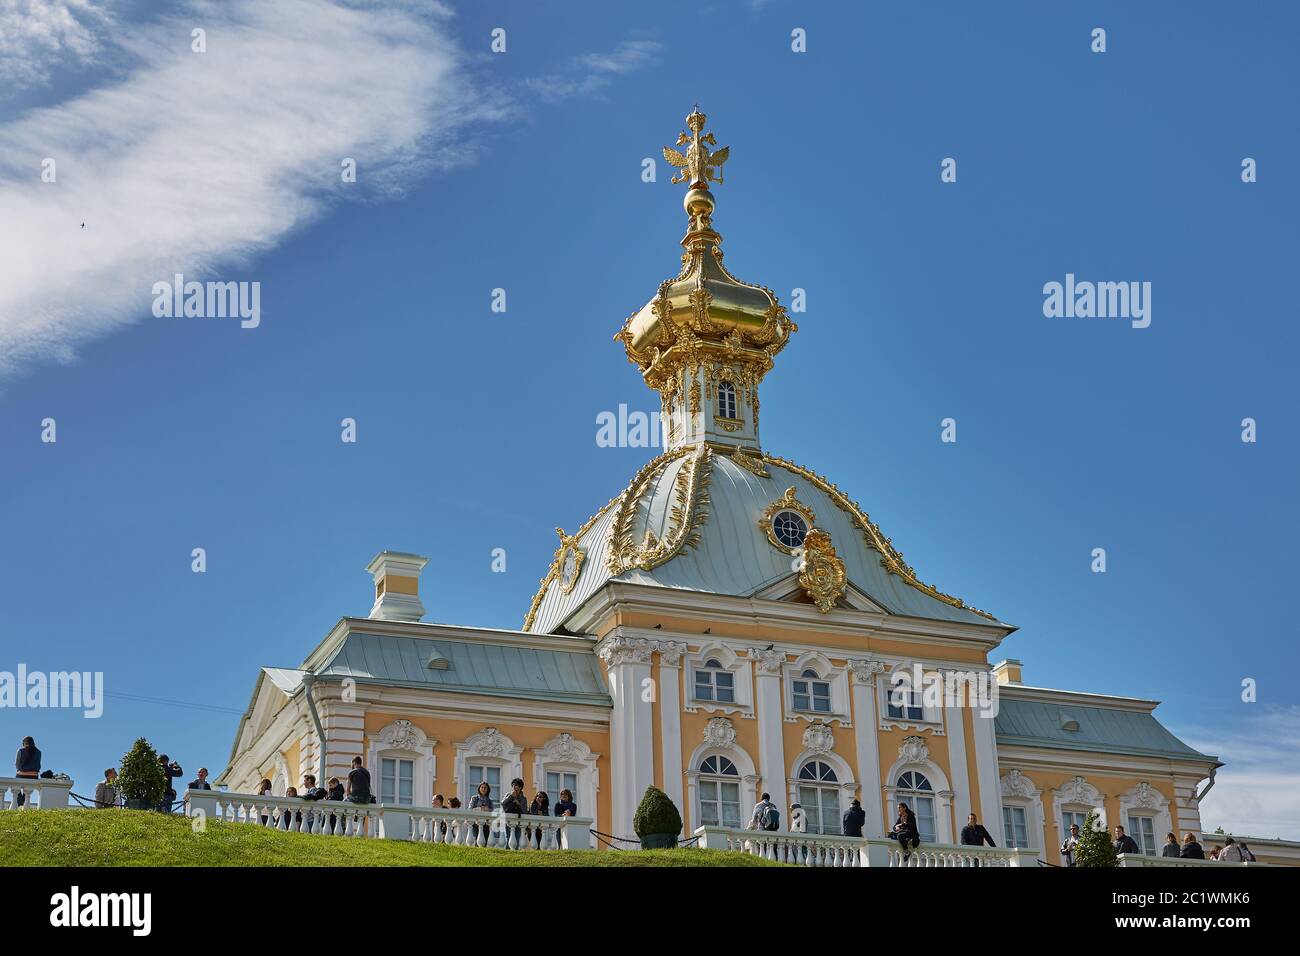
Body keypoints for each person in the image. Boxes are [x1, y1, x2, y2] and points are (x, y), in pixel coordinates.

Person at [501, 778, 529, 846]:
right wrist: (511, 796)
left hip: (519, 820)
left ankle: (515, 852)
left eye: (518, 786)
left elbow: (525, 811)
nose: (515, 787)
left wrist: (518, 803)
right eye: (514, 785)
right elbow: (502, 803)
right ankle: (508, 853)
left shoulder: (523, 798)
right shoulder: (508, 794)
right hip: (509, 820)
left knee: (517, 838)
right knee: (508, 837)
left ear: (520, 788)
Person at [14, 736, 40, 807]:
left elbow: (16, 764)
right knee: (26, 790)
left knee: (15, 784)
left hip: (22, 775)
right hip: (34, 776)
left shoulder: (20, 750)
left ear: (24, 743)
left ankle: (20, 802)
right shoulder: (38, 752)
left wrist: (19, 770)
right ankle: (23, 799)